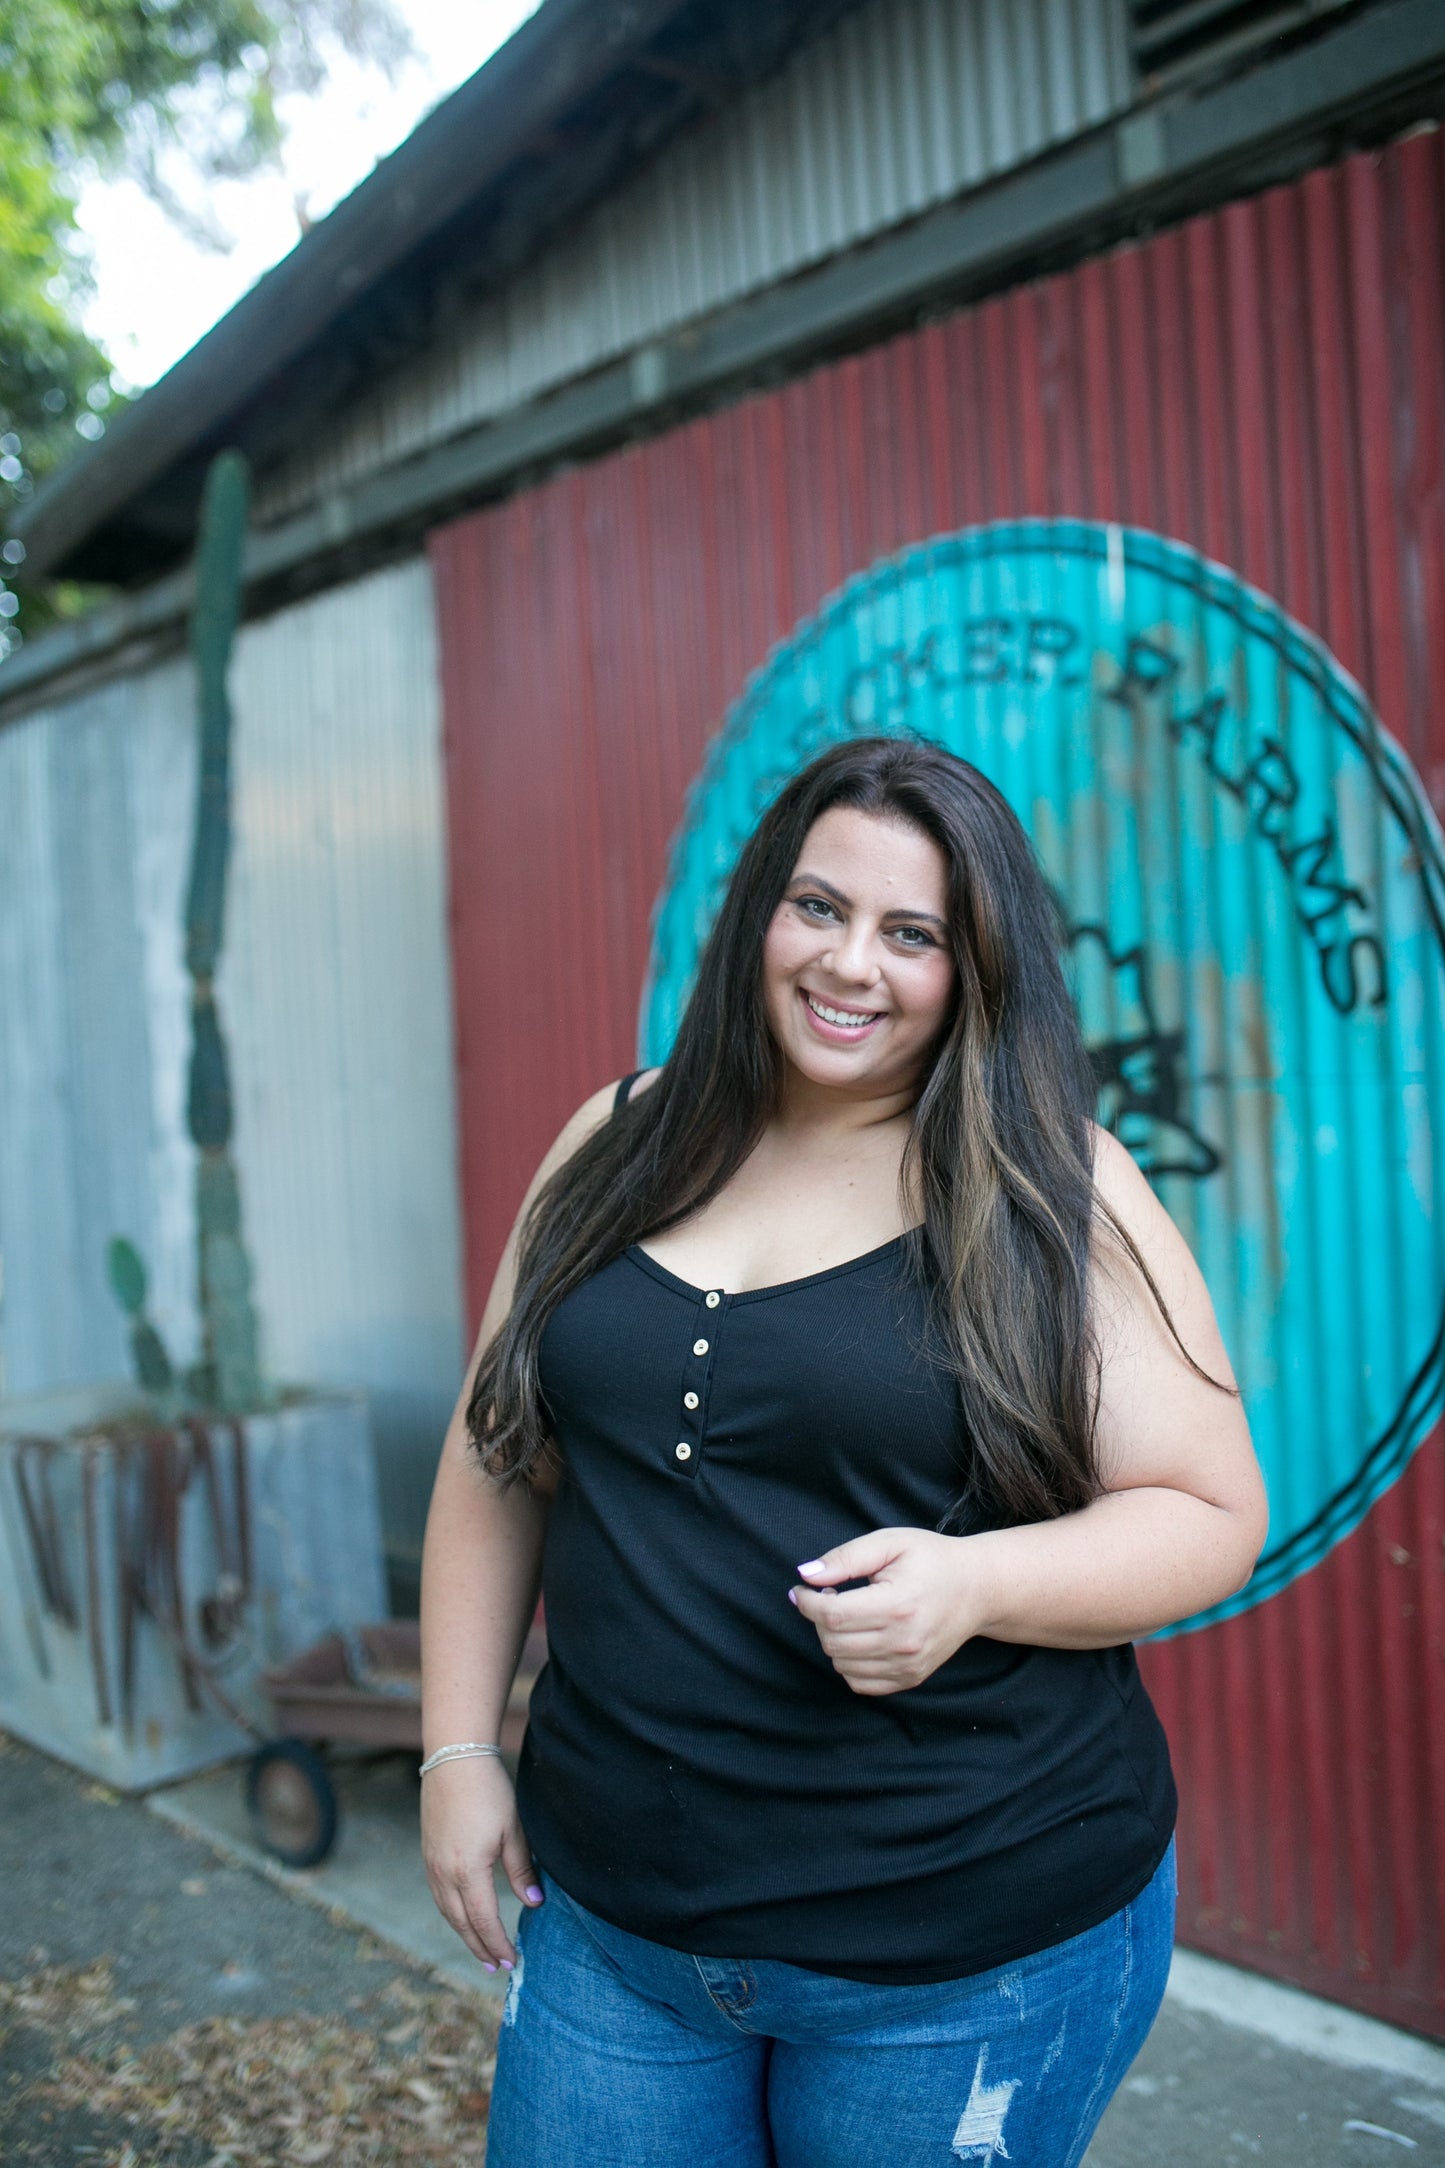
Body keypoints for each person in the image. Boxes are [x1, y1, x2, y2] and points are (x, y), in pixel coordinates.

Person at [419, 735, 1267, 2168]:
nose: (849, 965)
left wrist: (975, 1584)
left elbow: (1207, 1510)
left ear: (975, 966)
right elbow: (498, 1457)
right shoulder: (613, 1140)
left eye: (911, 933)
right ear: (760, 908)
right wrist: (453, 1747)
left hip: (956, 1953)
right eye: (818, 907)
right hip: (616, 1932)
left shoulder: (1049, 1186)